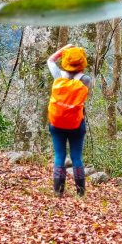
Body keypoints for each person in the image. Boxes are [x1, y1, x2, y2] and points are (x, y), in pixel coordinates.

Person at [47, 44, 93, 197]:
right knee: (76, 157)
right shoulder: (85, 80)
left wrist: (64, 49)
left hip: (56, 123)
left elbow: (50, 60)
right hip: (76, 124)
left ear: (66, 61)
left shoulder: (58, 76)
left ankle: (58, 192)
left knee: (59, 156)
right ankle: (80, 193)